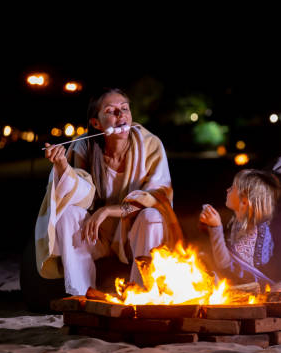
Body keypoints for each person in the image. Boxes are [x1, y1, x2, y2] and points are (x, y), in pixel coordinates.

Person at [35, 87, 183, 296]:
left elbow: (159, 195)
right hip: (97, 235)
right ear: (96, 123)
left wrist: (108, 211)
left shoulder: (150, 144)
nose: (120, 115)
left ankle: (142, 293)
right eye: (111, 111)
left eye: (124, 109)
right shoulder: (83, 147)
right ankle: (83, 293)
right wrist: (62, 167)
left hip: (133, 232)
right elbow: (79, 195)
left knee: (152, 215)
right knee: (67, 214)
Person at [199, 169, 281, 295]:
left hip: (257, 285)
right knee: (201, 261)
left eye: (232, 188)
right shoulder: (237, 224)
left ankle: (275, 295)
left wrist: (216, 228)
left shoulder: (256, 231)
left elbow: (225, 263)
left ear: (244, 201)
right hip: (235, 283)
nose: (227, 189)